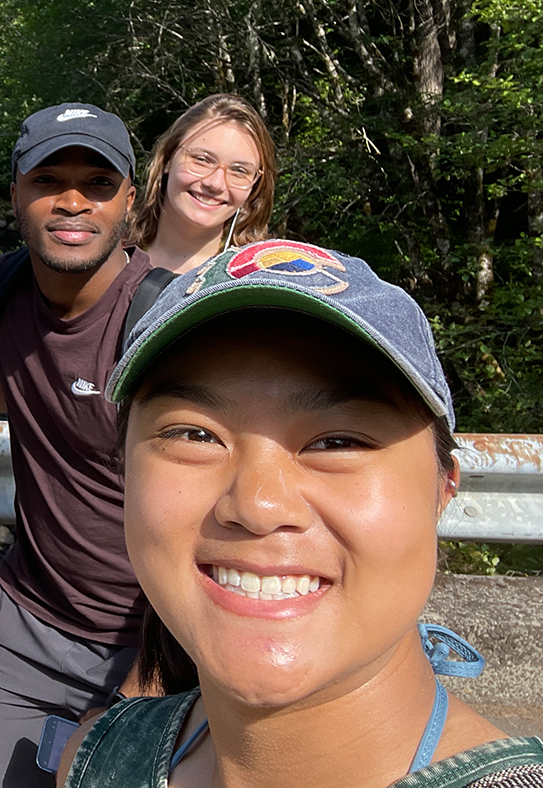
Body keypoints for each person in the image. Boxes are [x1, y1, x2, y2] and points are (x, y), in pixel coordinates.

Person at [59, 239, 543, 786]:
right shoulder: (97, 761)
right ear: (125, 473)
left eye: (338, 442)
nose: (258, 505)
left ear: (442, 490)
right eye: (194, 434)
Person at [0, 103, 162, 788]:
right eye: (49, 181)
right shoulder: (2, 288)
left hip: (152, 646)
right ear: (15, 192)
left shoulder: (161, 323)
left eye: (98, 184)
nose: (73, 202)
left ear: (130, 199)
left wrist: (152, 678)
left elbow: (220, 513)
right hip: (26, 631)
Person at [127, 93, 277, 274]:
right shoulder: (106, 261)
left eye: (239, 171)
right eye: (202, 160)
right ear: (168, 158)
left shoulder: (258, 281)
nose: (216, 183)